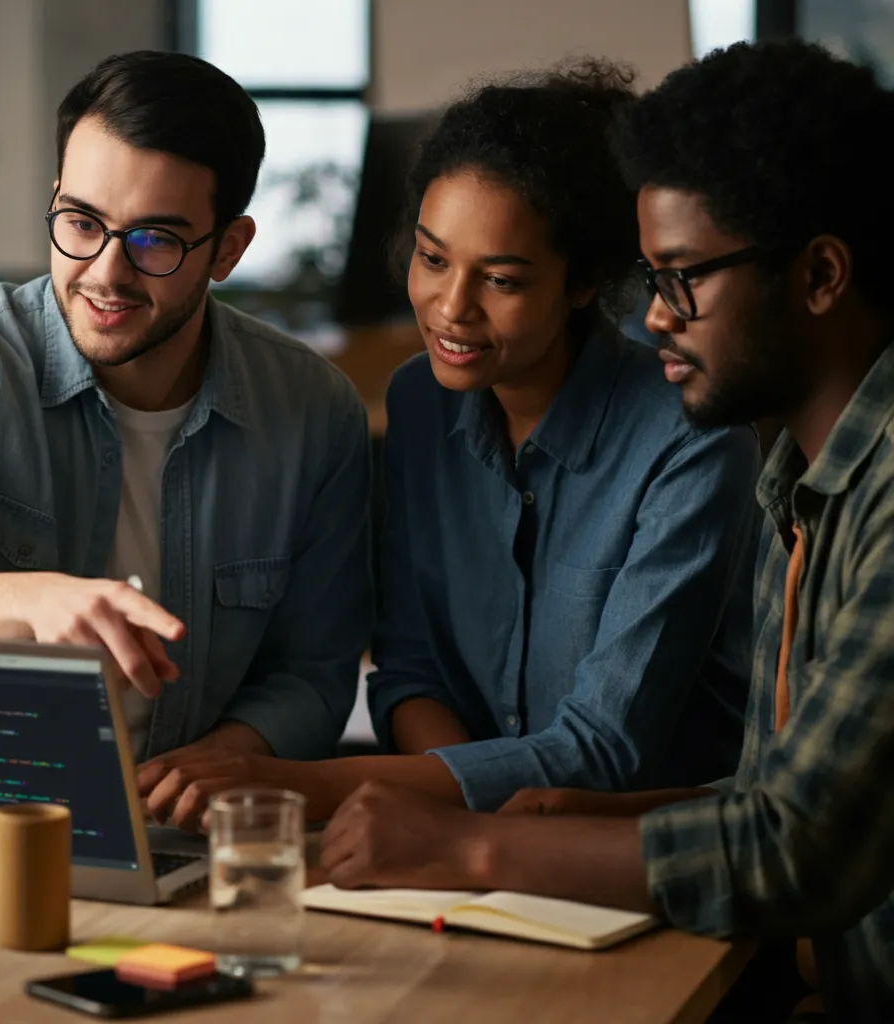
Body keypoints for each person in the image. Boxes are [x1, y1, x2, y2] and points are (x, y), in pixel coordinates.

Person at [318, 40, 894, 1022]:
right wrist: (557, 811)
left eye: (679, 280)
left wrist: (466, 842)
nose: (658, 320)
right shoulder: (798, 484)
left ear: (819, 274)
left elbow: (792, 847)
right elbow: (762, 794)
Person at [136, 64, 761, 830]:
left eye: (500, 280)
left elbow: (604, 751)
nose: (450, 309)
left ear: (584, 283)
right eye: (432, 260)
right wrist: (461, 816)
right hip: (462, 850)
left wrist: (295, 784)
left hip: (640, 863)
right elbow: (410, 668)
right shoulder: (421, 401)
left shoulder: (690, 439)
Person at [0, 52, 371, 772]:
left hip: (179, 825)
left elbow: (315, 673)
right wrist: (37, 603)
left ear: (227, 248)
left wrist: (232, 755)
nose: (106, 272)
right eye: (80, 222)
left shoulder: (315, 413)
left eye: (154, 240)